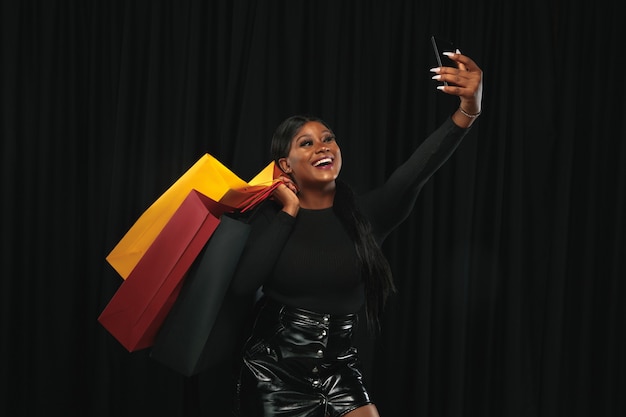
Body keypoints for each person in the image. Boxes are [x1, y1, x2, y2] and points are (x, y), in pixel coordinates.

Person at [228, 50, 483, 417]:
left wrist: (469, 109)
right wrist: (288, 211)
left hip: (339, 369)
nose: (322, 147)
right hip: (273, 371)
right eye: (307, 143)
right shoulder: (269, 218)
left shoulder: (369, 215)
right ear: (286, 165)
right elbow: (242, 286)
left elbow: (420, 166)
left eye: (327, 138)